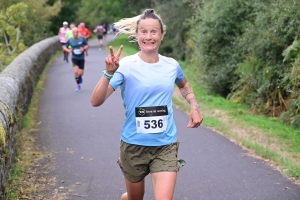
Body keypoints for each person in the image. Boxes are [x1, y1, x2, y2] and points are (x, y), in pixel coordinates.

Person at [90, 9, 203, 200]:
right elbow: (96, 101)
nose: (148, 37)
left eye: (153, 32)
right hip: (133, 145)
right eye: (144, 31)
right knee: (135, 198)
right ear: (137, 34)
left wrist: (194, 105)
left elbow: (184, 85)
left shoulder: (171, 65)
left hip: (165, 145)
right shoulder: (125, 66)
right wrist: (108, 73)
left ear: (162, 35)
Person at [62, 27, 89, 92]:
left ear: (78, 32)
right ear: (72, 33)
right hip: (74, 57)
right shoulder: (70, 40)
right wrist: (68, 50)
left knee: (81, 73)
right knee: (76, 71)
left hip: (81, 58)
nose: (75, 33)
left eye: (77, 32)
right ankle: (78, 85)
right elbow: (64, 46)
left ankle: (79, 77)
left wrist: (84, 48)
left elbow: (87, 45)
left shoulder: (82, 38)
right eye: (74, 32)